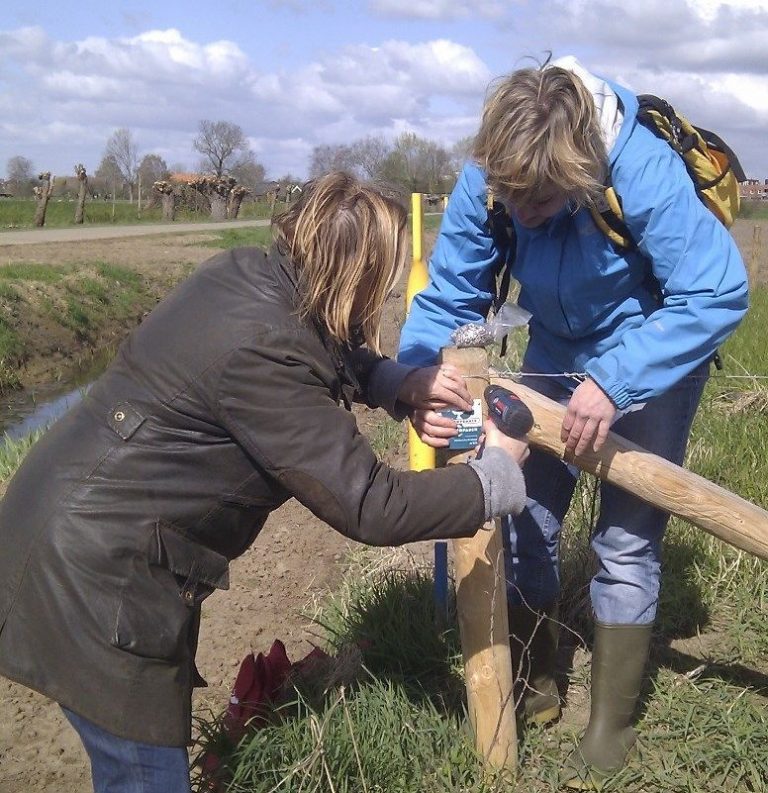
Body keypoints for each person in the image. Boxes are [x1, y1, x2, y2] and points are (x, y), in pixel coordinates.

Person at [0, 172, 530, 793]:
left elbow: (319, 339)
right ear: (350, 276)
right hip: (94, 577)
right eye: (376, 279)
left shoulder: (250, 275)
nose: (378, 294)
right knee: (144, 777)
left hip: (68, 523)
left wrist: (392, 382)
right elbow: (370, 504)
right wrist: (494, 477)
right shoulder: (263, 354)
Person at [398, 57, 748, 788]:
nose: (520, 213)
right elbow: (449, 294)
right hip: (555, 352)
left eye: (542, 198)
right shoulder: (493, 173)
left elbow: (717, 291)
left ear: (580, 168)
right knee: (520, 511)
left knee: (624, 538)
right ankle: (536, 684)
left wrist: (616, 383)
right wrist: (418, 382)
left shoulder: (640, 170)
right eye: (510, 197)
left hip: (653, 356)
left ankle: (609, 726)